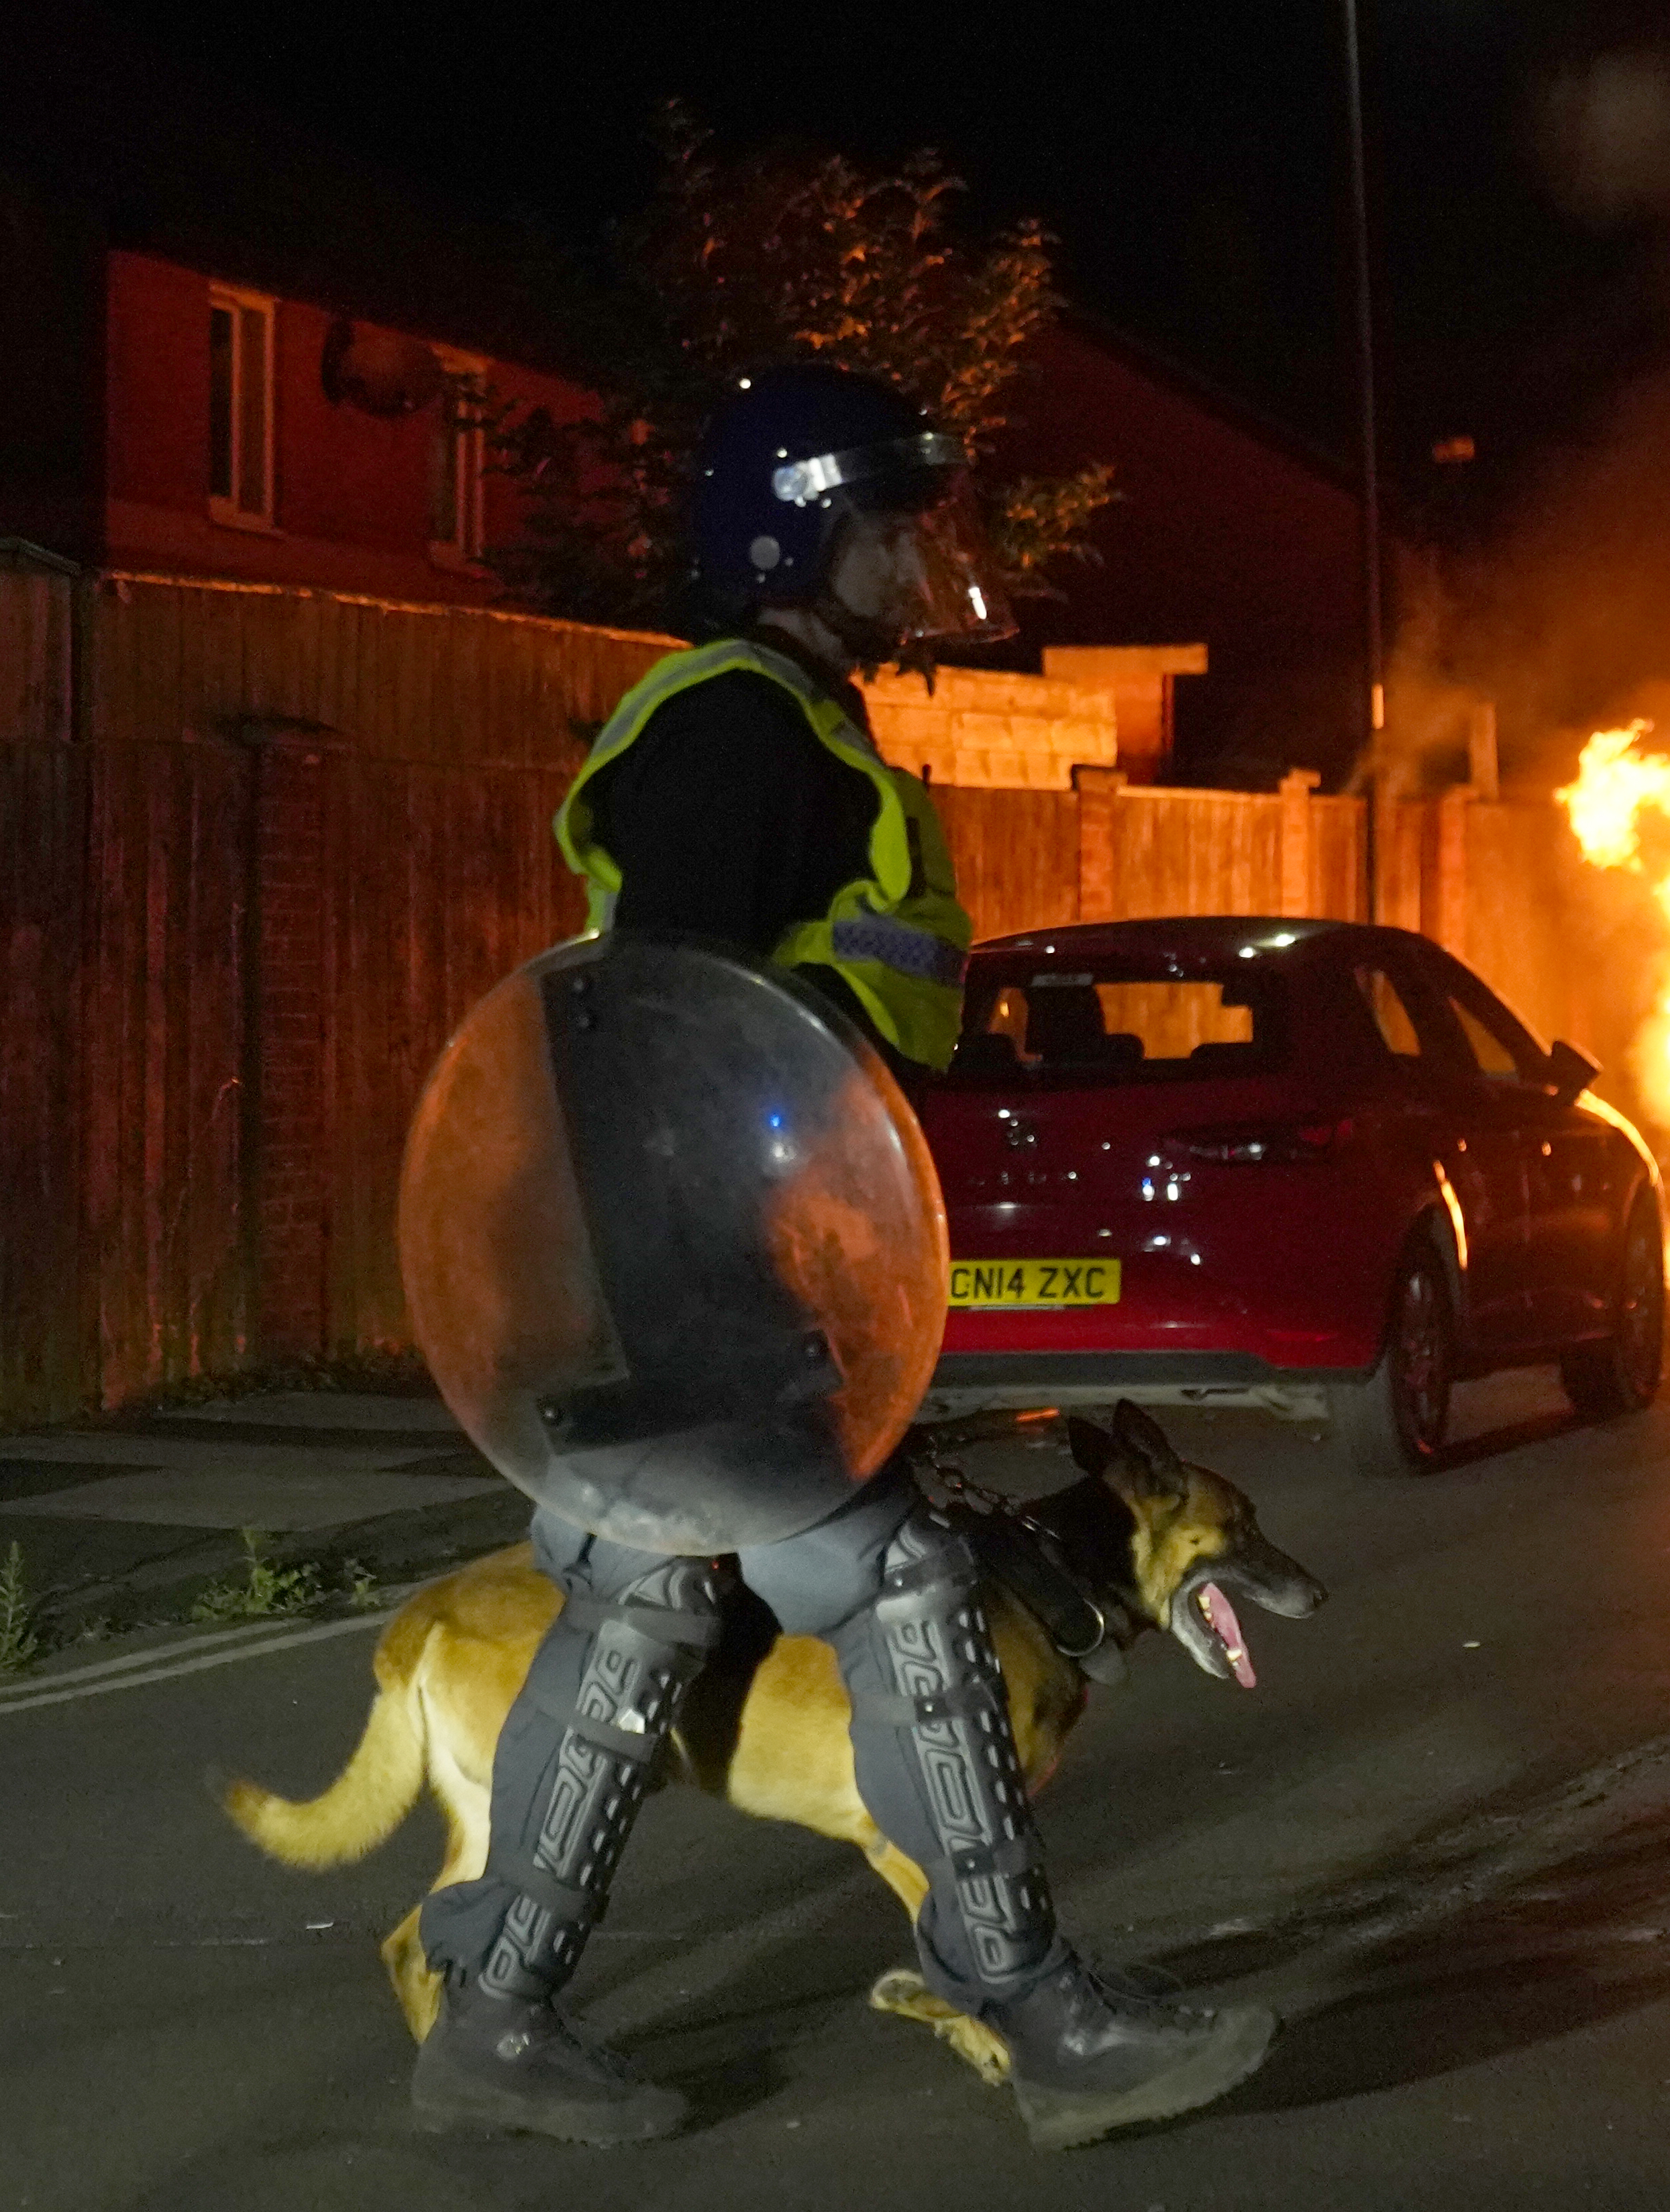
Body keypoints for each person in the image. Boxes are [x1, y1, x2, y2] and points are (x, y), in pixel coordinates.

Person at [408, 364, 1277, 2150]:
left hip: (698, 1283)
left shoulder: (790, 728)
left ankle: (495, 2015)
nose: (915, 561)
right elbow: (664, 1041)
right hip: (707, 1289)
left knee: (640, 1598)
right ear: (798, 535)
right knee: (901, 1589)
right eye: (887, 528)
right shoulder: (737, 731)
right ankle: (1028, 2006)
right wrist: (728, 1305)